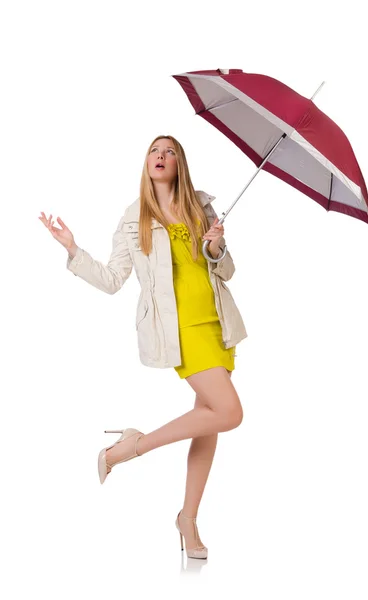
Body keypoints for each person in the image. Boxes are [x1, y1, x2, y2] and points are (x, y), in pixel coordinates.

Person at [38, 135, 247, 559]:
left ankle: (187, 520)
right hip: (180, 331)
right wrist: (73, 250)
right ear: (146, 162)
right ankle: (132, 447)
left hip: (216, 323)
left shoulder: (201, 210)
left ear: (179, 164)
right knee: (229, 413)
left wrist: (215, 246)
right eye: (155, 150)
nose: (161, 156)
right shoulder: (134, 220)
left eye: (170, 151)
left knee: (208, 422)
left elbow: (226, 271)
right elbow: (114, 280)